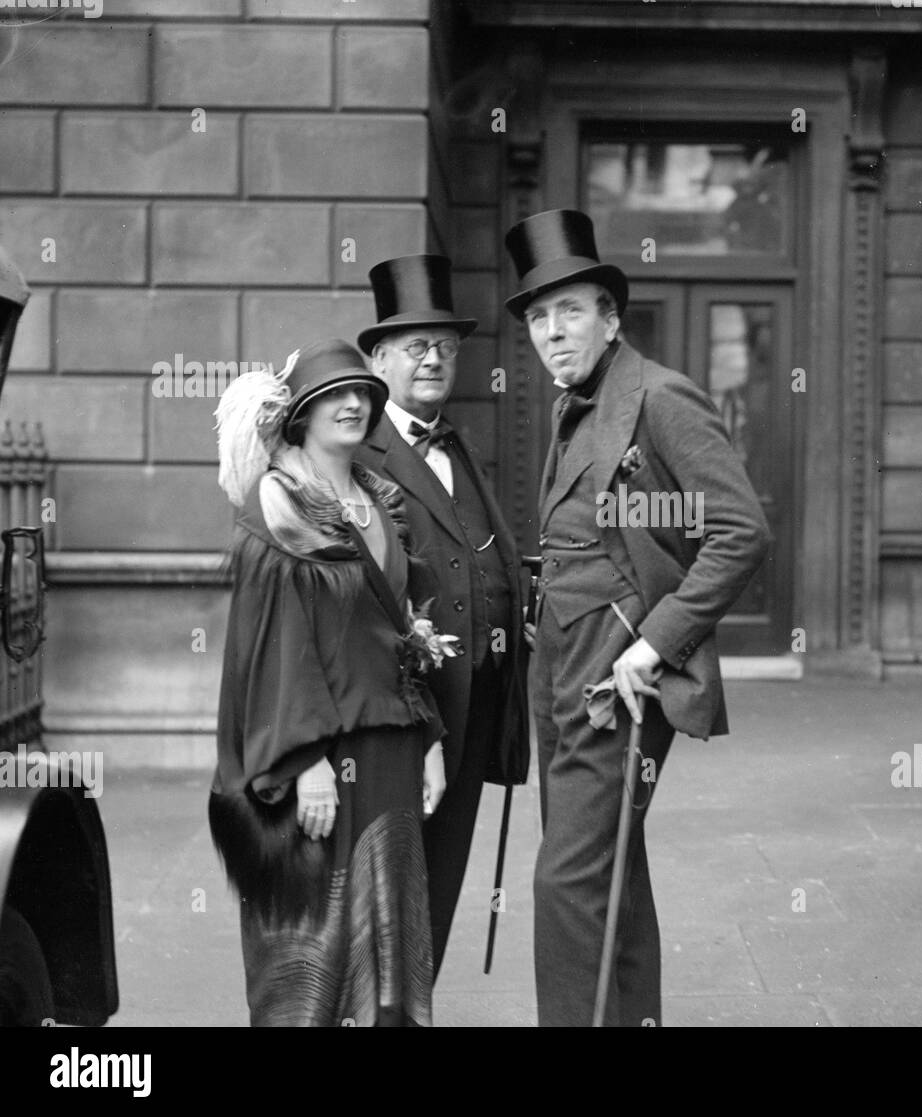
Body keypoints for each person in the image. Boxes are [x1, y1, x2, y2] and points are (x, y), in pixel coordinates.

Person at [504, 208, 772, 1026]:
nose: (553, 332)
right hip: (560, 663)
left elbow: (743, 531)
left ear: (611, 318)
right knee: (608, 866)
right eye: (539, 318)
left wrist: (657, 640)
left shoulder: (659, 399)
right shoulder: (576, 404)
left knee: (566, 880)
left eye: (570, 311)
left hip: (617, 675)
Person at [208, 338, 454, 1027]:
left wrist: (428, 736)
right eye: (331, 396)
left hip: (390, 753)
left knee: (387, 948)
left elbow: (403, 628)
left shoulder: (381, 500)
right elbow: (277, 644)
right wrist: (304, 757)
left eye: (362, 393)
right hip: (322, 759)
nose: (352, 404)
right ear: (300, 416)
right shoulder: (277, 507)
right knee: (316, 949)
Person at [355, 255, 530, 981]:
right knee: (390, 902)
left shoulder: (455, 442)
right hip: (409, 723)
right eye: (416, 345)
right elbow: (366, 607)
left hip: (473, 710)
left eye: (446, 346)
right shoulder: (360, 453)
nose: (433, 358)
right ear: (378, 358)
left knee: (436, 893)